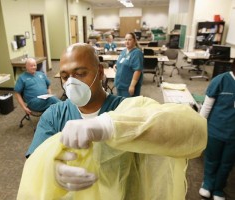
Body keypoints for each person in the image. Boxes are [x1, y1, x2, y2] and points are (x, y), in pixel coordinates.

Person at [17, 43, 207, 200]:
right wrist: (50, 171)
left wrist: (110, 126)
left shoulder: (128, 109)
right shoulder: (54, 115)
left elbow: (194, 131)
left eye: (81, 73)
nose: (71, 83)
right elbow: (33, 163)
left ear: (100, 72)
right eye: (65, 76)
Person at [198, 60, 235, 200]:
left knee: (227, 163)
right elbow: (206, 107)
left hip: (233, 135)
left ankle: (219, 188)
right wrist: (200, 126)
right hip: (216, 130)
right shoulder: (221, 80)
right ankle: (207, 184)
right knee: (212, 159)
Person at [113, 32, 143, 97]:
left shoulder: (137, 53)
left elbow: (137, 70)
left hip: (128, 87)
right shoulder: (124, 51)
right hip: (120, 85)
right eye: (126, 39)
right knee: (121, 104)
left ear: (134, 41)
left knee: (129, 105)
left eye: (129, 40)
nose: (127, 41)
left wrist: (132, 86)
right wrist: (115, 66)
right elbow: (119, 63)